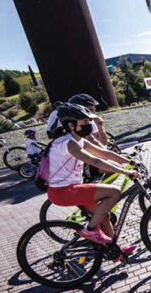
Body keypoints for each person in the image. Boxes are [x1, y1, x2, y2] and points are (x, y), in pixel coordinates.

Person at [46, 103, 138, 259]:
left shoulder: (78, 140)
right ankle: (90, 230)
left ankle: (115, 252)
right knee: (114, 192)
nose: (89, 126)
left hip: (72, 188)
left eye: (89, 122)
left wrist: (130, 162)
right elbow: (95, 161)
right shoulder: (67, 143)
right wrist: (125, 171)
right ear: (71, 125)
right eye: (85, 123)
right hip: (62, 191)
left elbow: (103, 153)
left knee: (105, 216)